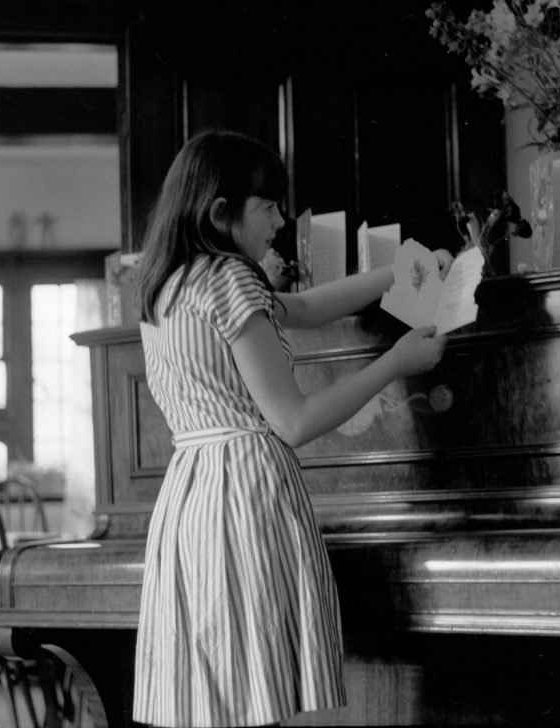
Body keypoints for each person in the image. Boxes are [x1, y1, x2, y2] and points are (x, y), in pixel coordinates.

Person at [131, 130, 449, 727]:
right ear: (220, 212)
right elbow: (294, 422)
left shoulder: (168, 283)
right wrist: (398, 362)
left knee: (219, 697)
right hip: (248, 498)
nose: (282, 218)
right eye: (269, 205)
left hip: (192, 500)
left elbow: (301, 309)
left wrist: (402, 272)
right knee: (257, 698)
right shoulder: (228, 277)